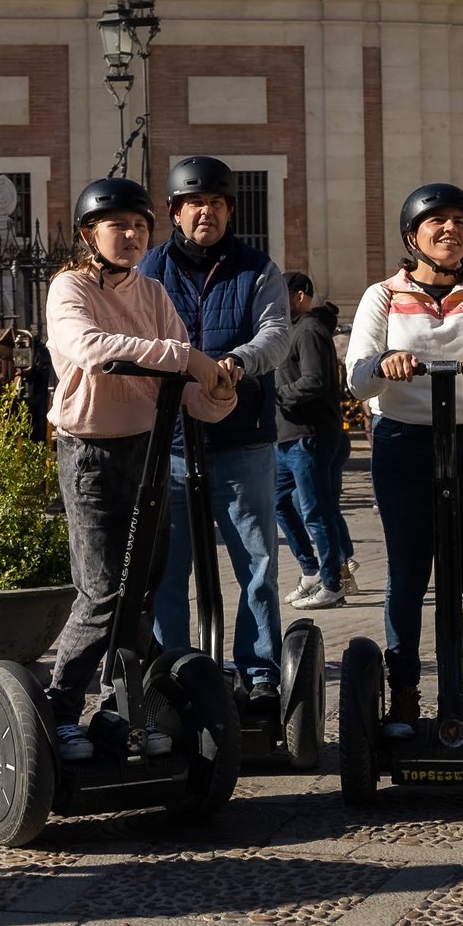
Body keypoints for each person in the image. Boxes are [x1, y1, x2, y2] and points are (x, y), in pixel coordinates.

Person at [42, 177, 236, 762]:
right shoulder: (68, 288)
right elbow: (96, 350)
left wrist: (218, 391)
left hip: (147, 452)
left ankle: (117, 707)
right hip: (90, 455)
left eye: (139, 226)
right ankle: (59, 709)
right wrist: (190, 361)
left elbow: (184, 384)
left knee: (144, 590)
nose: (130, 236)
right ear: (88, 233)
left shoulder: (151, 293)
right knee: (102, 593)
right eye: (117, 225)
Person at [347, 182, 463, 739]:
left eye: (459, 222)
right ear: (411, 236)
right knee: (407, 575)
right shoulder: (381, 296)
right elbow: (354, 377)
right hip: (404, 442)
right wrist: (385, 361)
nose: (450, 230)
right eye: (436, 222)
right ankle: (402, 696)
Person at [141, 156, 291, 710]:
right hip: (168, 443)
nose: (206, 213)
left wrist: (235, 361)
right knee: (168, 568)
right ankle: (175, 673)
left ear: (230, 209)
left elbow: (276, 334)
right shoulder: (148, 272)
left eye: (216, 204)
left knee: (257, 566)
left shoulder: (257, 269)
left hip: (242, 441)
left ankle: (259, 674)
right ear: (175, 212)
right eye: (193, 204)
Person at [275, 271, 360, 610]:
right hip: (285, 437)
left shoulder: (309, 331)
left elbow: (314, 381)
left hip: (309, 437)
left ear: (300, 296)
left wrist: (277, 396)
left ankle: (332, 582)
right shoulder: (286, 331)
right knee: (279, 501)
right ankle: (311, 570)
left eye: (281, 294)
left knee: (315, 511)